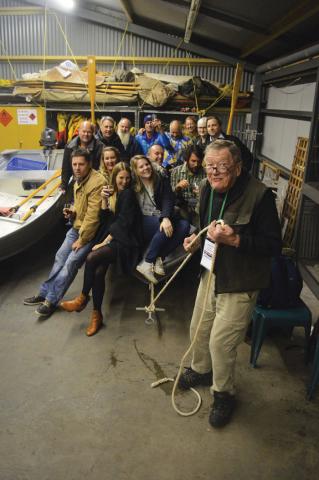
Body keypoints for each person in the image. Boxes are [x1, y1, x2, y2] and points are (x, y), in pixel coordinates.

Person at [179, 140, 282, 428]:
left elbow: (274, 245)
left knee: (221, 344)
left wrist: (235, 239)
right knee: (198, 329)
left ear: (237, 167)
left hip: (241, 281)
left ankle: (224, 394)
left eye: (221, 167)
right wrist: (196, 240)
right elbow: (206, 229)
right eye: (209, 166)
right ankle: (201, 370)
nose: (213, 172)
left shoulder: (260, 197)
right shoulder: (206, 189)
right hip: (211, 272)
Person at [60, 162, 142, 336]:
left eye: (127, 178)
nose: (125, 181)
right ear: (114, 178)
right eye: (121, 178)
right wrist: (105, 200)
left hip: (125, 241)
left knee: (91, 258)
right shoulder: (114, 193)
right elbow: (106, 219)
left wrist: (104, 242)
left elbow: (123, 224)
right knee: (97, 272)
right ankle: (96, 315)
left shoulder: (127, 194)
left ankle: (82, 298)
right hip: (115, 237)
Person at [23, 148, 105, 317]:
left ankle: (51, 300)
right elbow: (82, 205)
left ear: (89, 164)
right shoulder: (78, 179)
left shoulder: (97, 182)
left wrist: (82, 240)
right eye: (74, 164)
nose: (77, 167)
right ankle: (44, 293)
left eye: (81, 164)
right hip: (77, 227)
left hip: (88, 234)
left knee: (70, 264)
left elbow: (93, 216)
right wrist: (73, 211)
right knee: (60, 258)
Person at [131, 155, 190, 284]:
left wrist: (165, 217)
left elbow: (168, 199)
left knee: (185, 225)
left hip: (158, 216)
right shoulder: (132, 184)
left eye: (147, 164)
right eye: (141, 167)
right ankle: (147, 262)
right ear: (135, 170)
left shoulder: (160, 179)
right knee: (164, 227)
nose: (146, 168)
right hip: (141, 220)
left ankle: (158, 258)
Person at [60, 120, 103, 194]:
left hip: (95, 184)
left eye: (89, 132)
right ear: (78, 131)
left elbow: (102, 168)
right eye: (83, 131)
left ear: (93, 133)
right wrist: (64, 185)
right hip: (77, 183)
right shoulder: (70, 147)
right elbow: (66, 168)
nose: (86, 134)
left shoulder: (100, 147)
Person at [170, 145, 206, 226]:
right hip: (182, 208)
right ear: (187, 159)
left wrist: (202, 192)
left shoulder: (205, 173)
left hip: (199, 210)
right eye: (193, 161)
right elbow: (169, 197)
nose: (196, 164)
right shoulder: (176, 172)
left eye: (199, 161)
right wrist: (177, 187)